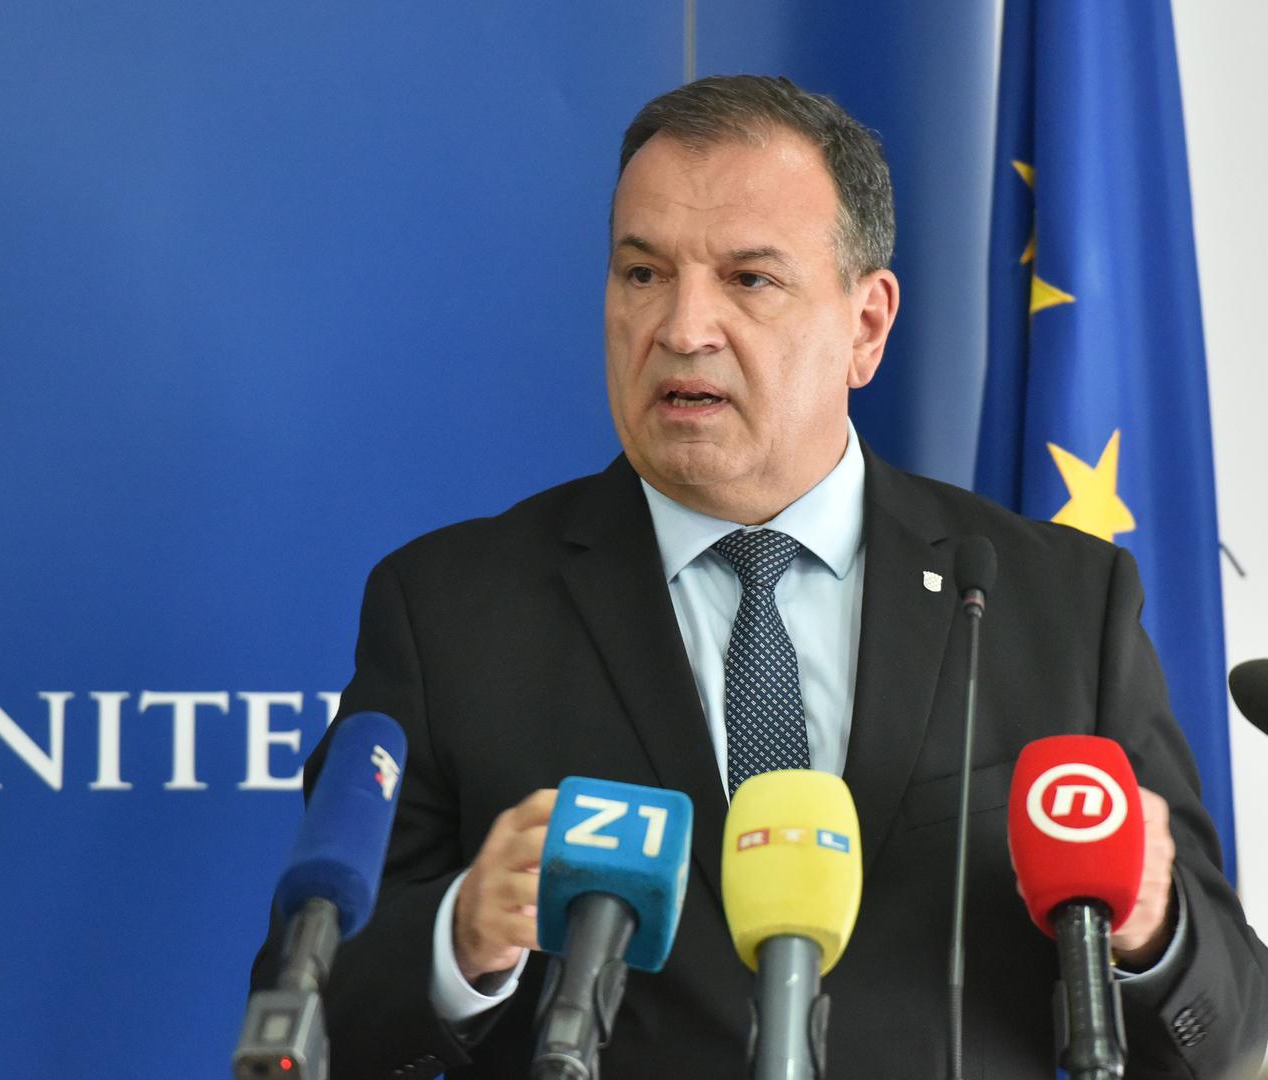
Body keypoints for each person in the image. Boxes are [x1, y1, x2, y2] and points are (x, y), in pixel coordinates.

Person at [251, 75, 1268, 1078]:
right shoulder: (451, 609)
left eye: (748, 279)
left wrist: (1154, 930)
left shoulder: (1057, 604)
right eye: (642, 273)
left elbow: (1233, 1030)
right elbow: (310, 1012)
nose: (682, 328)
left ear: (866, 326)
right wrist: (460, 939)